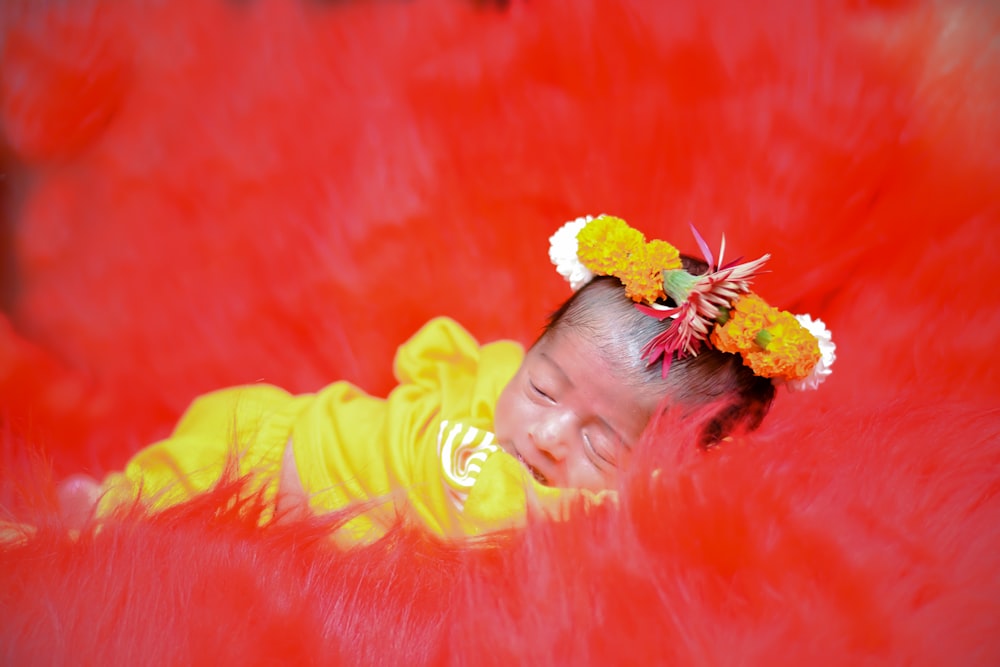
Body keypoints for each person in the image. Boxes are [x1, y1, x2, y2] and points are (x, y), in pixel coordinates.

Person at [57, 215, 835, 545]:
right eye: (542, 388)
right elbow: (438, 354)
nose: (549, 433)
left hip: (319, 528)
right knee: (185, 469)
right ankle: (110, 507)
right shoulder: (502, 370)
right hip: (279, 435)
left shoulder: (567, 523)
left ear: (673, 467)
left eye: (603, 439)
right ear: (531, 355)